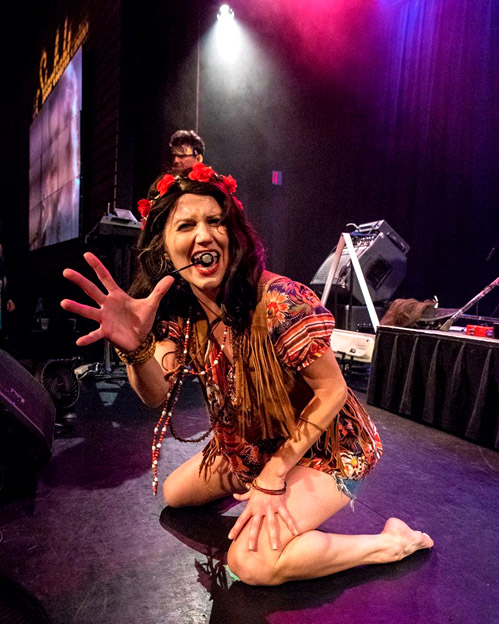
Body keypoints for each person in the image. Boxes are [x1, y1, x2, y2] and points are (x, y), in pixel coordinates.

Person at [60, 163, 433, 586]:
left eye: (216, 221)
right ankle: (264, 482)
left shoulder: (280, 302)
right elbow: (154, 394)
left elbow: (332, 390)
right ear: (164, 247)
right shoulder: (181, 311)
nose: (205, 235)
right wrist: (137, 349)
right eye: (187, 225)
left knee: (252, 562)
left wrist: (274, 477)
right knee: (176, 494)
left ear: (233, 235)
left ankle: (390, 543)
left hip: (328, 446)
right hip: (254, 443)